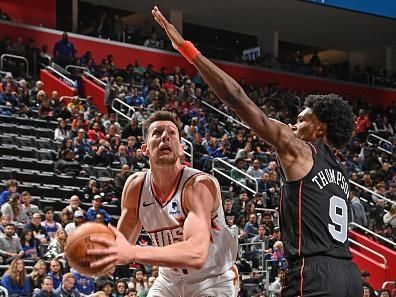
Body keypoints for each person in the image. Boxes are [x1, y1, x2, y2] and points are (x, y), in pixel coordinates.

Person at [152, 6, 361, 296]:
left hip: (314, 274)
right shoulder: (339, 171)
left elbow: (237, 98)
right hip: (349, 275)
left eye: (301, 120)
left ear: (321, 128)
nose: (292, 124)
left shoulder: (300, 150)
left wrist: (185, 49)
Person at [88, 111, 238, 297]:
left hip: (212, 279)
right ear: (144, 149)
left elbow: (196, 254)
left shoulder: (198, 186)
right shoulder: (136, 187)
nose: (165, 136)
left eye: (171, 133)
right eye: (157, 133)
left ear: (181, 148)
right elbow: (122, 246)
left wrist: (134, 252)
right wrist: (99, 254)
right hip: (168, 280)